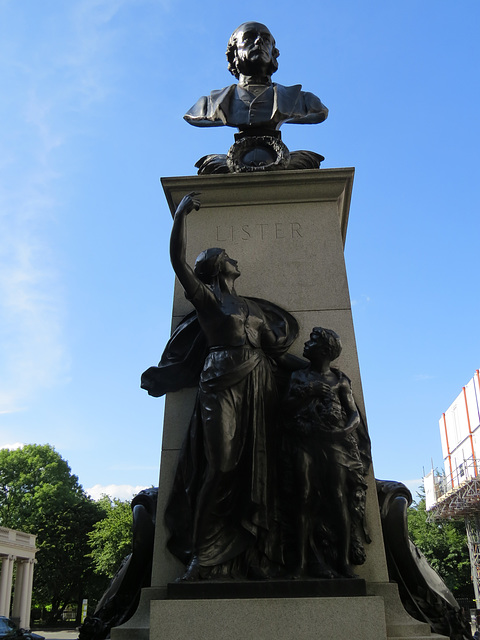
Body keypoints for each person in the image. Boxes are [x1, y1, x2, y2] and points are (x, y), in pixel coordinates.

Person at [141, 192, 299, 580]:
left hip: (259, 381)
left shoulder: (254, 309)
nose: (236, 259)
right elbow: (178, 261)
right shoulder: (209, 300)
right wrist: (180, 216)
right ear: (216, 267)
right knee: (222, 464)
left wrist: (317, 369)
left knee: (257, 465)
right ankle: (202, 553)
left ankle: (256, 551)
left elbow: (275, 354)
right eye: (228, 255)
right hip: (221, 382)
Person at [281, 327, 371, 579]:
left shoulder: (340, 379)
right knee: (303, 497)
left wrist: (343, 432)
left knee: (338, 497)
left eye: (313, 341)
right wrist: (308, 393)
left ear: (324, 351)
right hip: (305, 441)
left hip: (333, 444)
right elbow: (285, 408)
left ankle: (342, 562)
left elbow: (353, 414)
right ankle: (299, 563)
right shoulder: (299, 376)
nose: (306, 344)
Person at [184, 21, 328, 133]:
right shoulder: (208, 105)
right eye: (249, 38)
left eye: (266, 40)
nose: (259, 41)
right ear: (234, 54)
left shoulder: (303, 101)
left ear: (273, 54)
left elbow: (319, 113)